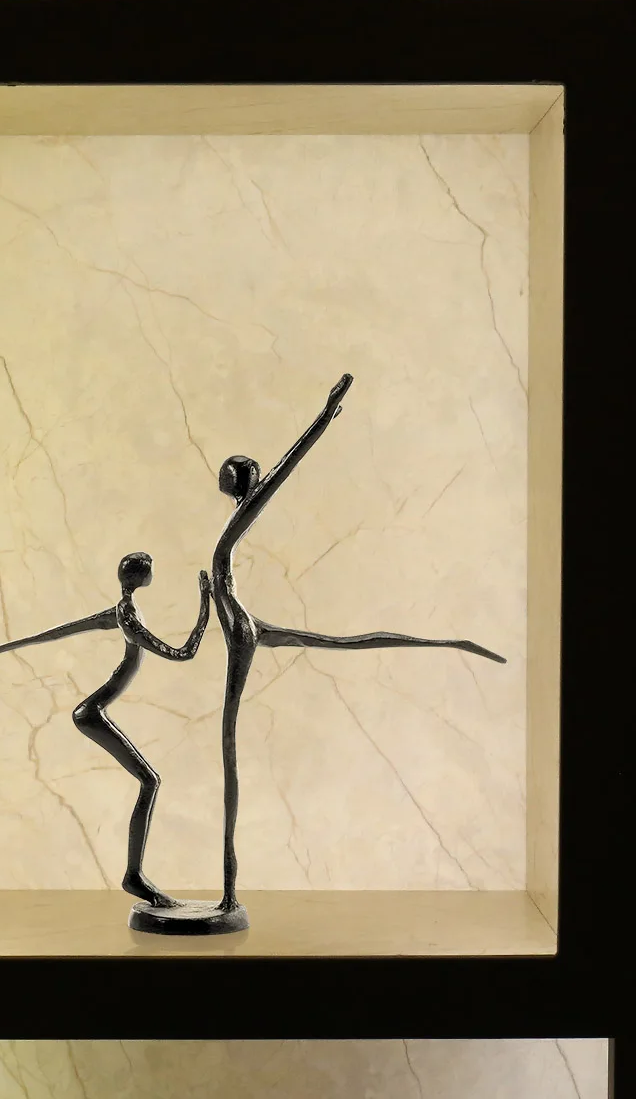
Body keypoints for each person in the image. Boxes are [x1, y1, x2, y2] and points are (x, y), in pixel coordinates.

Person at [211, 374, 506, 912]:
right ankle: (448, 641)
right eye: (237, 473)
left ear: (240, 483)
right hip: (242, 626)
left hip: (242, 630)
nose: (233, 477)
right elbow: (274, 484)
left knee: (231, 743)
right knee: (341, 644)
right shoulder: (235, 520)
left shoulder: (244, 513)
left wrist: (325, 416)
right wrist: (210, 601)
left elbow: (286, 469)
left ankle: (230, 894)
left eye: (235, 473)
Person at [0, 553, 211, 908]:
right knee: (150, 781)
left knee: (149, 781)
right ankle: (134, 876)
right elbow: (183, 653)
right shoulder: (128, 618)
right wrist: (205, 605)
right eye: (150, 570)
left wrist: (10, 645)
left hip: (91, 712)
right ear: (142, 577)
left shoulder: (122, 610)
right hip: (91, 714)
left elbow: (61, 630)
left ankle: (135, 875)